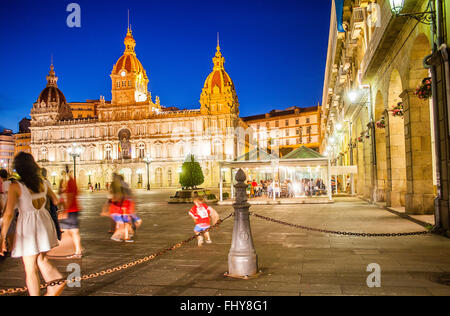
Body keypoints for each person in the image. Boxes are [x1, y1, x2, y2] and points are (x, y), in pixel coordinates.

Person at [0, 153, 65, 296]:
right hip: (44, 221)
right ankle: (56, 282)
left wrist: (2, 236)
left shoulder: (15, 186)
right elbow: (55, 200)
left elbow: (9, 214)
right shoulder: (43, 182)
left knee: (30, 268)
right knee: (41, 259)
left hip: (29, 225)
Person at [59, 170, 83, 259]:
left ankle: (75, 250)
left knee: (70, 230)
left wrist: (65, 210)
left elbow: (70, 196)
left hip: (71, 210)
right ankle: (78, 250)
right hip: (74, 209)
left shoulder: (70, 182)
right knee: (73, 231)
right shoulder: (72, 182)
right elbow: (78, 192)